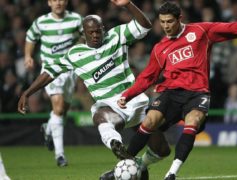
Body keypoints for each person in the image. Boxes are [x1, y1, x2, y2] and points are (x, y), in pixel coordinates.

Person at [117, 2, 237, 179]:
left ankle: (172, 174)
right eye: (162, 22)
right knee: (149, 121)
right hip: (171, 92)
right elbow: (147, 77)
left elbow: (232, 28)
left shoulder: (200, 31)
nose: (166, 26)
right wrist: (128, 95)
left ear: (180, 19)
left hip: (197, 93)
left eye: (170, 21)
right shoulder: (160, 48)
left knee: (192, 122)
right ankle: (123, 166)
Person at [18, 0, 170, 179]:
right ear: (84, 33)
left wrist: (128, 4)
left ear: (103, 29)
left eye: (98, 31)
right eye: (91, 33)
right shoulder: (75, 55)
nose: (96, 35)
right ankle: (116, 145)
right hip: (112, 106)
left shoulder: (117, 36)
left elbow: (145, 25)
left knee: (162, 150)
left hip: (135, 100)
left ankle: (135, 165)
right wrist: (27, 93)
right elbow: (49, 73)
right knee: (100, 115)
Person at [24, 0, 83, 167]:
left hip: (70, 69)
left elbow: (85, 35)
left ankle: (48, 128)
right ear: (49, 2)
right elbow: (30, 38)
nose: (58, 3)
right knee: (57, 107)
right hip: (50, 70)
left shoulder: (76, 19)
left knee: (62, 111)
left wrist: (78, 47)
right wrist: (28, 56)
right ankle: (60, 155)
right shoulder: (41, 21)